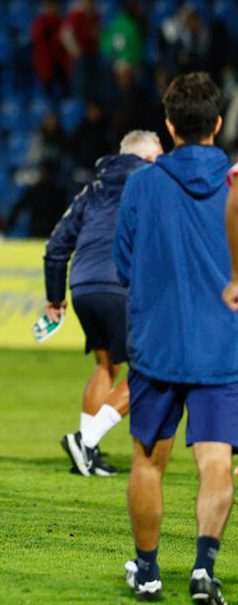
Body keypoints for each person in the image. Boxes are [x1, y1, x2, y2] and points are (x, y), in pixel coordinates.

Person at [119, 72, 236, 603]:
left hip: (157, 343)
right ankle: (203, 569)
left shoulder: (142, 182)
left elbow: (123, 262)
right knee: (217, 463)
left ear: (169, 125)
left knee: (148, 463)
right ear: (217, 123)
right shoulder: (235, 183)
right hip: (224, 347)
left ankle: (147, 571)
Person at [46, 131, 162, 477]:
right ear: (146, 158)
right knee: (146, 373)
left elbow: (56, 246)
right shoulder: (151, 184)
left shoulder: (91, 190)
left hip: (83, 286)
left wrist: (55, 297)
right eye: (158, 156)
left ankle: (88, 456)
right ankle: (87, 440)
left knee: (106, 366)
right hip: (122, 284)